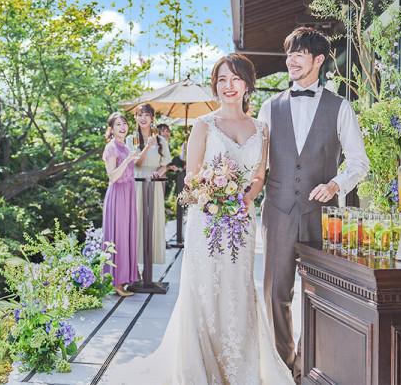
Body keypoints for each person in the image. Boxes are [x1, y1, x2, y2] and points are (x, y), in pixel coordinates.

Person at [109, 54, 293, 384]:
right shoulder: (204, 125)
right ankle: (202, 367)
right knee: (208, 291)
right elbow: (192, 178)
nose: (228, 86)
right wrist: (216, 193)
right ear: (215, 85)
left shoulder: (262, 128)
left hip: (241, 222)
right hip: (208, 222)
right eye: (222, 80)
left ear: (248, 84)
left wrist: (246, 196)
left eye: (235, 79)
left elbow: (260, 175)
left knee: (237, 290)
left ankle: (241, 367)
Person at [258, 27, 369, 383]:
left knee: (318, 292)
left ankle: (307, 364)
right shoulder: (269, 106)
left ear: (318, 60)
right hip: (276, 209)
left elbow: (359, 162)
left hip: (321, 216)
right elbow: (255, 162)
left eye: (299, 53)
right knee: (276, 292)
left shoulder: (340, 107)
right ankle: (281, 364)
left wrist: (336, 183)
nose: (290, 60)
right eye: (289, 53)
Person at [126, 104, 171, 265]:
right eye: (140, 115)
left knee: (154, 218)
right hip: (137, 182)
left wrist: (158, 173)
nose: (143, 118)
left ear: (153, 118)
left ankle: (152, 261)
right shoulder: (131, 139)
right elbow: (136, 163)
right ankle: (135, 263)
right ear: (136, 118)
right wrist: (147, 147)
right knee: (137, 219)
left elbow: (165, 164)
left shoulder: (161, 140)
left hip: (155, 183)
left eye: (146, 115)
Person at [102, 112, 141, 297]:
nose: (122, 127)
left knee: (128, 235)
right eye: (118, 124)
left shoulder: (126, 146)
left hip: (129, 193)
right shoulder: (111, 148)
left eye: (124, 123)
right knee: (118, 236)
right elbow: (113, 176)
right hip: (118, 194)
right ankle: (117, 281)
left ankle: (127, 277)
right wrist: (127, 160)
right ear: (111, 128)